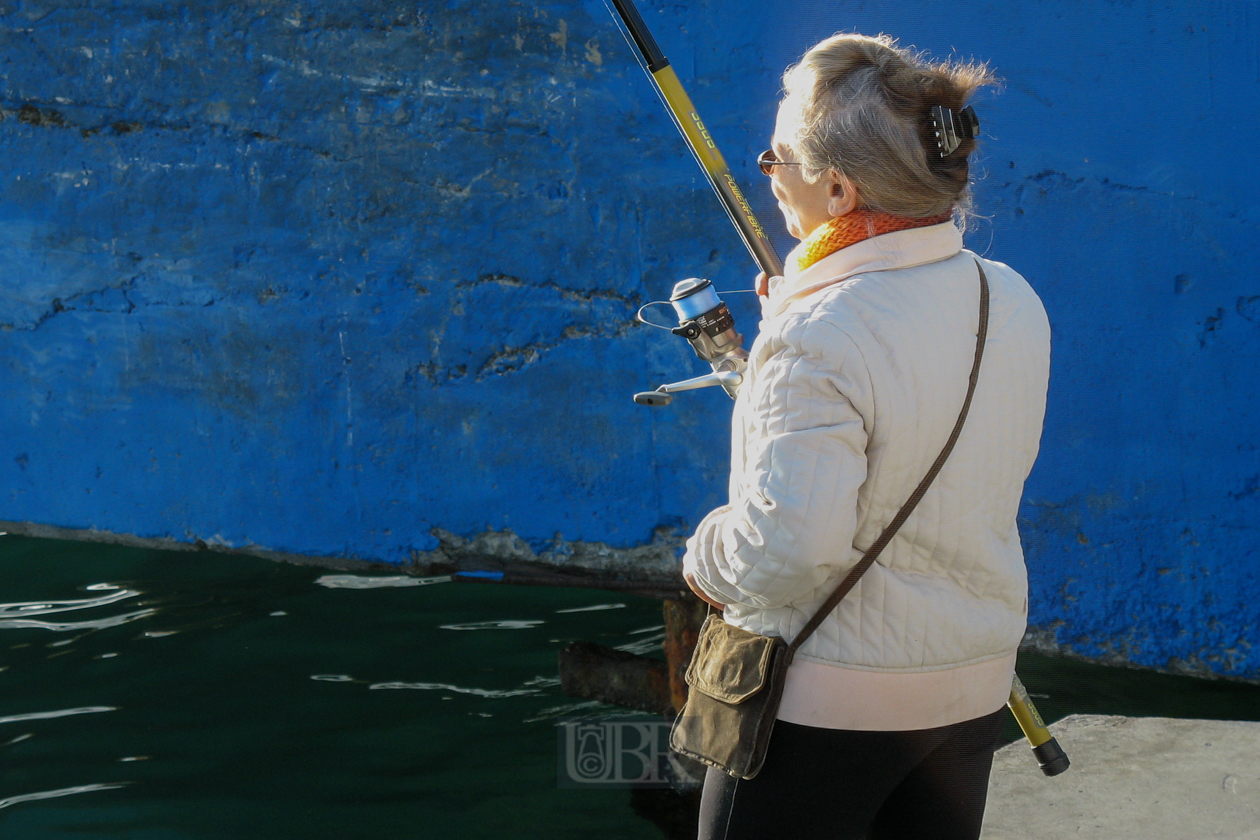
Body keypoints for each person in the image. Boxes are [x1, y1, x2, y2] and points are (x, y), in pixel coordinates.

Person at [681, 33, 1051, 840]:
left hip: (828, 702)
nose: (766, 176)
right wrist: (803, 307)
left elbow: (790, 550)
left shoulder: (817, 332)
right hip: (969, 692)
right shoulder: (1011, 297)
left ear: (839, 189)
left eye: (777, 159)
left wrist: (703, 553)